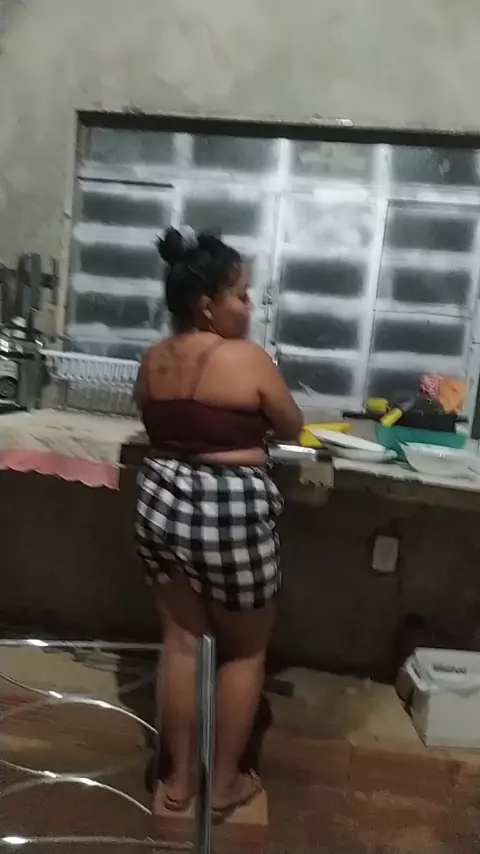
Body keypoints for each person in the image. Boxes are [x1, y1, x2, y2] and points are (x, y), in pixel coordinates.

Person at [134, 226, 302, 822]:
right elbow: (292, 425)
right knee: (244, 651)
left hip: (159, 499)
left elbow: (154, 420)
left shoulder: (154, 358)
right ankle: (224, 783)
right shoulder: (244, 358)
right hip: (228, 507)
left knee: (181, 643)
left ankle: (177, 782)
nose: (250, 307)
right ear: (207, 304)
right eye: (242, 295)